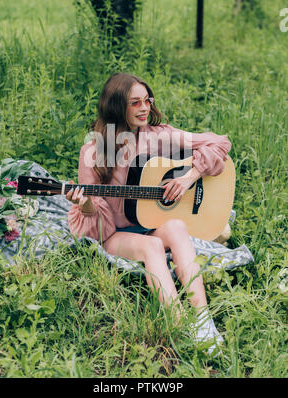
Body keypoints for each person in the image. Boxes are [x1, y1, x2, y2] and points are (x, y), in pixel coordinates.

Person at [67, 73, 232, 356]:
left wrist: (188, 177)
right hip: (115, 232)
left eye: (147, 100)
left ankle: (204, 322)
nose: (144, 108)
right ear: (117, 107)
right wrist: (85, 205)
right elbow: (96, 228)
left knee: (177, 226)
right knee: (152, 245)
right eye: (135, 103)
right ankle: (180, 326)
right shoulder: (94, 152)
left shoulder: (158, 137)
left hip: (149, 221)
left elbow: (220, 143)